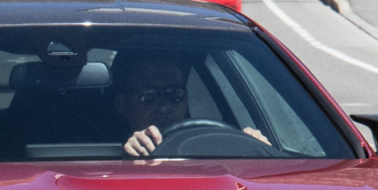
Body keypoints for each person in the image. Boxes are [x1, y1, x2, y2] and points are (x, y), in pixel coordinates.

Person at [113, 53, 271, 157]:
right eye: (149, 95)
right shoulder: (102, 154)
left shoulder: (213, 146)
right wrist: (129, 154)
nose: (163, 106)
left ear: (185, 99)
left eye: (173, 94)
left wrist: (260, 149)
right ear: (123, 106)